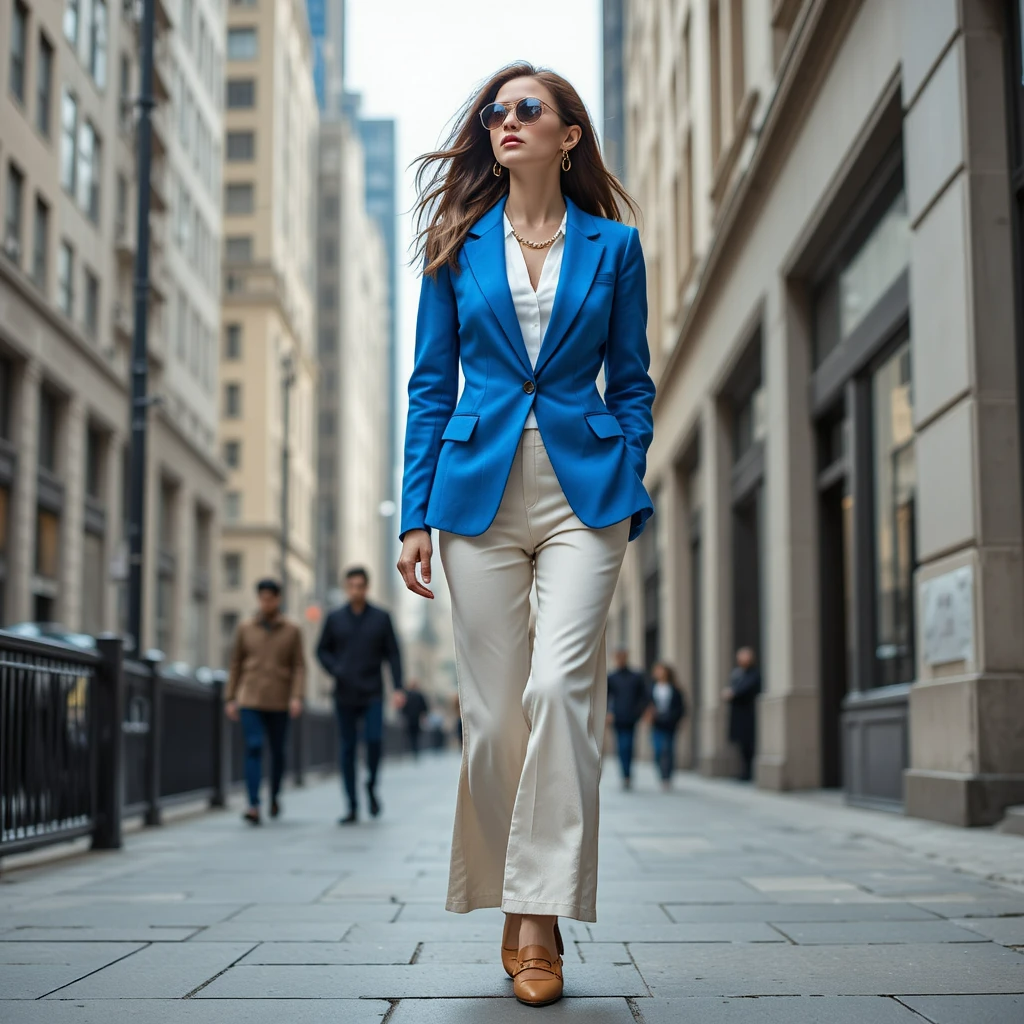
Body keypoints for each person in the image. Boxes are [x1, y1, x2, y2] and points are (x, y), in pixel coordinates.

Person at [396, 62, 655, 1008]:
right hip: (476, 496)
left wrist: (628, 464)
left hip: (587, 495)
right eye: (495, 113)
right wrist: (416, 510)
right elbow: (431, 386)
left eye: (527, 110)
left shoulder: (615, 248)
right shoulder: (455, 245)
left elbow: (631, 380)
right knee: (497, 717)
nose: (507, 122)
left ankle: (537, 919)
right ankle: (517, 894)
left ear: (566, 135)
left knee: (559, 688)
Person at [316, 567, 404, 824]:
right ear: (346, 588)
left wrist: (398, 688)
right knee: (347, 749)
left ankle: (371, 784)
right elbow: (321, 651)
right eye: (351, 585)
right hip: (344, 693)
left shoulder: (381, 617)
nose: (356, 590)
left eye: (360, 586)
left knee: (375, 741)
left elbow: (394, 654)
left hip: (372, 692)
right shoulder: (334, 618)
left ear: (366, 587)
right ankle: (352, 805)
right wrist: (336, 669)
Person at [224, 578, 305, 825]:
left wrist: (296, 696)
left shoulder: (292, 630)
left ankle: (275, 796)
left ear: (278, 599)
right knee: (254, 746)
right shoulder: (245, 628)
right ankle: (253, 803)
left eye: (271, 598)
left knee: (278, 752)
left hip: (280, 699)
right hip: (250, 697)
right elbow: (236, 662)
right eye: (262, 598)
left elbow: (299, 666)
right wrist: (230, 696)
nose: (266, 603)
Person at [606, 648, 650, 789]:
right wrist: (608, 713)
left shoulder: (636, 676)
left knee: (629, 745)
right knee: (622, 746)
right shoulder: (611, 677)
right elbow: (605, 697)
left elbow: (644, 696)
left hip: (631, 717)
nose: (620, 659)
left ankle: (628, 774)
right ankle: (625, 775)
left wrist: (641, 711)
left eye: (622, 656)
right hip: (617, 717)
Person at [646, 661, 686, 791]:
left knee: (668, 750)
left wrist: (676, 719)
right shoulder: (652, 687)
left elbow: (681, 707)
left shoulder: (675, 689)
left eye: (662, 670)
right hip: (657, 723)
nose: (659, 673)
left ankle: (667, 777)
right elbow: (646, 704)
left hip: (670, 723)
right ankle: (661, 773)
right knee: (658, 750)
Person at [724, 646, 762, 781]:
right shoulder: (737, 673)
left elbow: (744, 689)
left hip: (748, 714)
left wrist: (733, 693)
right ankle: (744, 772)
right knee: (741, 745)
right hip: (738, 714)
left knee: (748, 744)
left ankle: (748, 773)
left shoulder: (754, 673)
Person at [401, 679, 429, 757]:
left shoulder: (407, 695)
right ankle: (415, 749)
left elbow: (403, 708)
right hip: (416, 718)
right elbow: (424, 708)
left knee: (411, 735)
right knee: (416, 735)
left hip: (409, 719)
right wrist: (423, 716)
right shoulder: (419, 695)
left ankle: (413, 749)